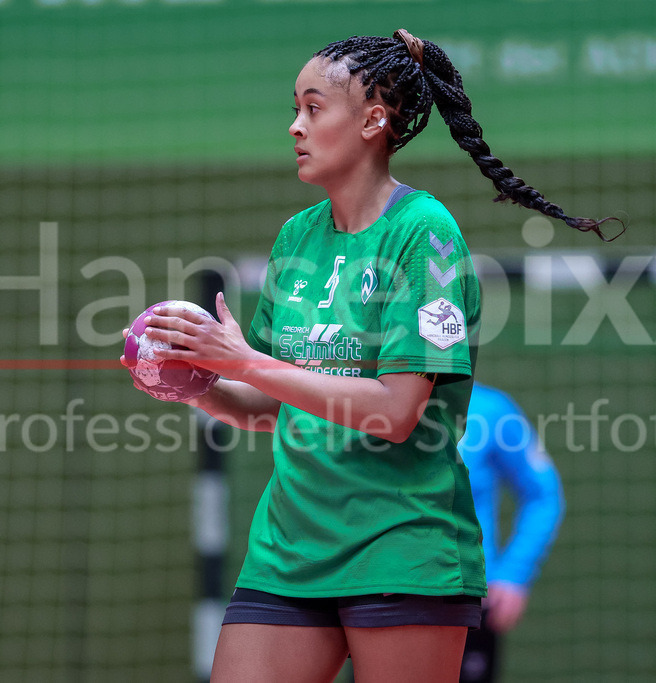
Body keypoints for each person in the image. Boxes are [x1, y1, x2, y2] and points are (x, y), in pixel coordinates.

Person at [130, 29, 614, 683]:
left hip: (402, 549)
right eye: (294, 109)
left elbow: (396, 411)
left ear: (373, 119)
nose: (295, 126)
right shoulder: (296, 237)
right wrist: (194, 382)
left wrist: (241, 360)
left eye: (312, 107)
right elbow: (273, 406)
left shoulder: (423, 232)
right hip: (289, 548)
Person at [457, 384, 565, 683]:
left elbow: (543, 494)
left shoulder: (491, 409)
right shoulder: (369, 402)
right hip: (380, 596)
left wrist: (514, 573)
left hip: (469, 599)